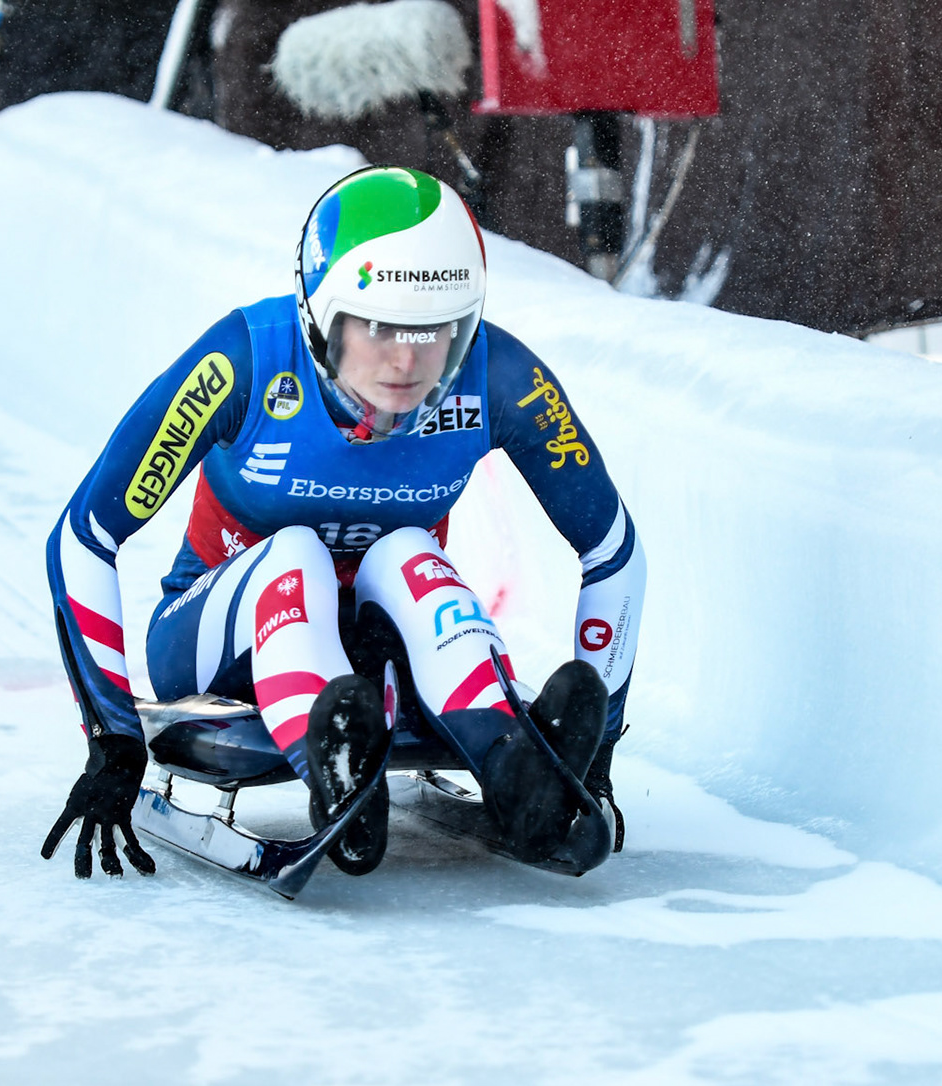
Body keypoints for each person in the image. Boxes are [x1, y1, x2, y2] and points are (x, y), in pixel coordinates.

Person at [43, 166, 645, 879]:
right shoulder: (245, 360)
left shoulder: (503, 379)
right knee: (294, 551)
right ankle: (339, 775)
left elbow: (613, 549)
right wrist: (111, 738)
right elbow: (86, 533)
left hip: (374, 650)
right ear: (320, 316)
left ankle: (519, 768)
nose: (406, 360)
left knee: (406, 549)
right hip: (217, 641)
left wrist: (600, 749)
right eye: (380, 328)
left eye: (436, 332)